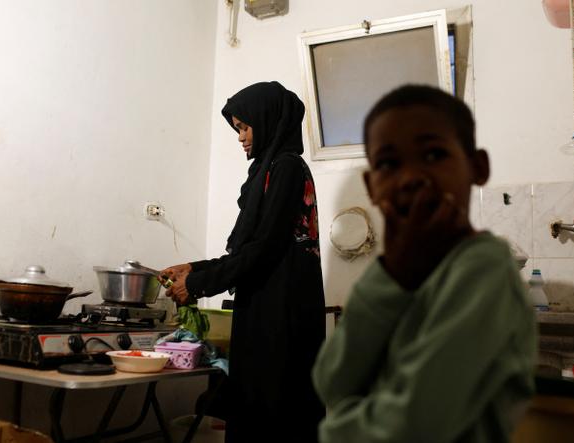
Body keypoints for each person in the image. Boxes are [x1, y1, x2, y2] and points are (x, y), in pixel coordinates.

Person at [311, 85, 537, 443]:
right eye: (388, 163)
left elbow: (415, 425)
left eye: (433, 154)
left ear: (477, 168)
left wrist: (334, 433)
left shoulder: (483, 267)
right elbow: (332, 381)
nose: (411, 176)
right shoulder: (397, 272)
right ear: (371, 185)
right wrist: (393, 273)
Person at [160, 81, 326, 443]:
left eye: (245, 127)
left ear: (268, 122)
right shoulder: (267, 172)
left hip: (283, 318)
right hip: (265, 310)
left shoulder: (286, 169)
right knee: (256, 411)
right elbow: (251, 250)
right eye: (238, 129)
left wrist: (200, 284)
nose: (240, 137)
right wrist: (195, 268)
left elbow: (264, 248)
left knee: (276, 417)